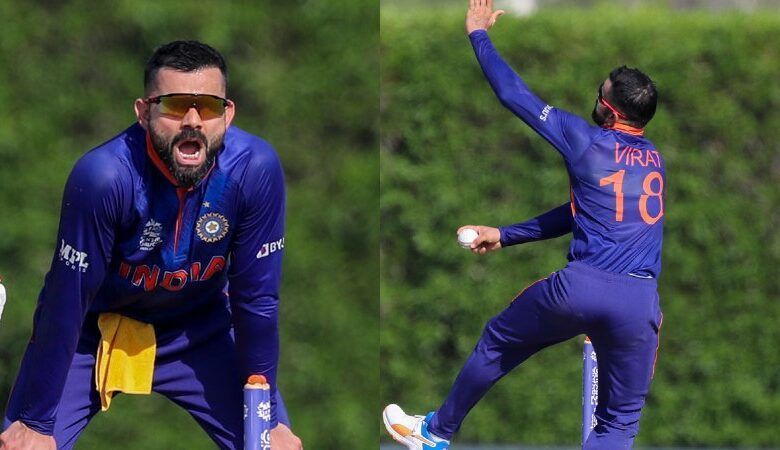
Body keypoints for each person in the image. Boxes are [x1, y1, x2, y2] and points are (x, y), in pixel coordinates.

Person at [383, 1, 664, 448]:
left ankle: (434, 433)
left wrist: (478, 33)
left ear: (609, 110)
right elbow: (580, 215)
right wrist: (506, 234)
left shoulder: (588, 140)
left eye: (598, 92)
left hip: (583, 287)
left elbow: (514, 95)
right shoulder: (654, 161)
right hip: (641, 303)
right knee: (618, 425)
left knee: (498, 340)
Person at [1, 41, 303, 450]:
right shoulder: (103, 177)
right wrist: (34, 422)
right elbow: (65, 303)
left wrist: (265, 416)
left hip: (201, 332)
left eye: (209, 107)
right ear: (144, 112)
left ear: (228, 115)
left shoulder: (255, 169)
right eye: (176, 106)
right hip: (93, 332)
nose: (193, 122)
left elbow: (257, 300)